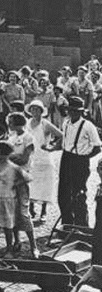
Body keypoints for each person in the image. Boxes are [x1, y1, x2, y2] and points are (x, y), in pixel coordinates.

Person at [58, 96, 101, 226]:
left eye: (76, 111)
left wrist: (84, 157)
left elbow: (97, 147)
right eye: (70, 110)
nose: (72, 113)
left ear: (81, 112)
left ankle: (81, 224)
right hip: (66, 158)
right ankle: (67, 222)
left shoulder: (88, 126)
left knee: (79, 192)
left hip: (80, 160)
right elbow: (64, 141)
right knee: (63, 192)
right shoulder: (66, 123)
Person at [6, 112, 37, 256]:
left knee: (24, 212)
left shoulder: (28, 137)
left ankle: (33, 246)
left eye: (11, 122)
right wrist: (12, 157)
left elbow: (24, 159)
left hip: (22, 178)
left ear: (18, 123)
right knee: (12, 212)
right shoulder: (11, 138)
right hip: (10, 178)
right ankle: (16, 241)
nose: (9, 125)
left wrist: (11, 157)